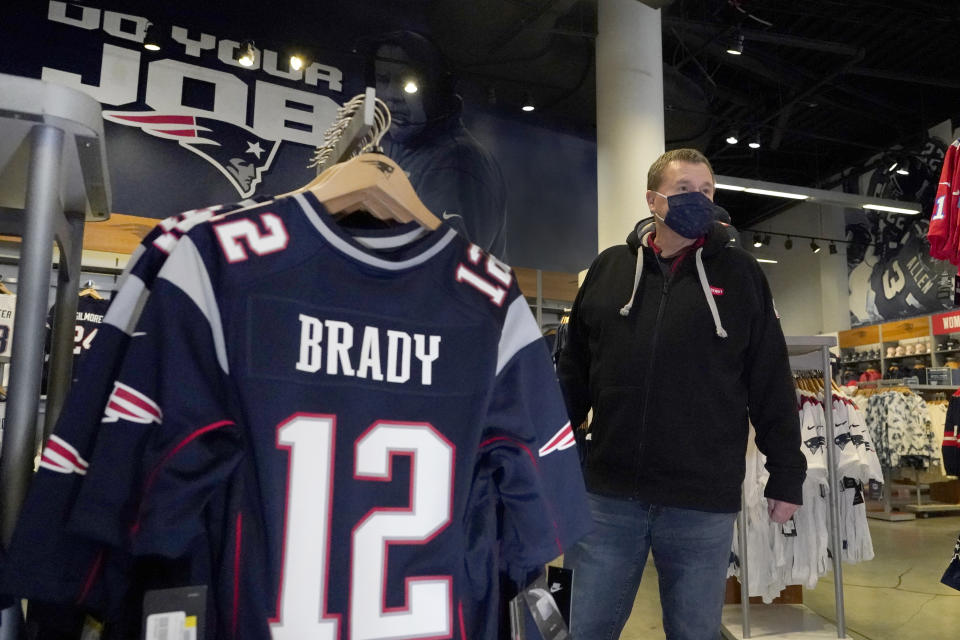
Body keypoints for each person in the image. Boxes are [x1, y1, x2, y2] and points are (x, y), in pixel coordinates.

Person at [557, 148, 806, 640]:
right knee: (582, 627)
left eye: (708, 191)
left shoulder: (741, 276)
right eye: (685, 190)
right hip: (607, 494)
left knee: (694, 631)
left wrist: (787, 474)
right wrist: (549, 459)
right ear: (653, 200)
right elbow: (573, 373)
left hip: (700, 500)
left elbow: (771, 380)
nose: (701, 200)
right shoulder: (608, 270)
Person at [366, 31, 508, 259]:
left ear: (435, 90)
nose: (391, 95)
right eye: (383, 79)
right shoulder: (404, 147)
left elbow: (442, 276)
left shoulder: (456, 163)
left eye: (406, 82)